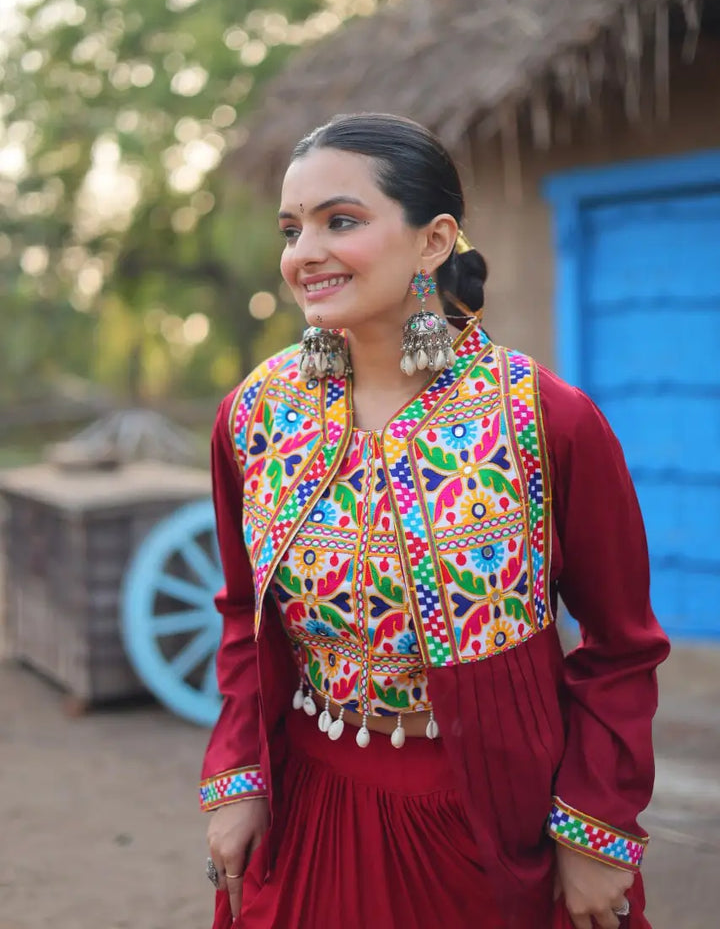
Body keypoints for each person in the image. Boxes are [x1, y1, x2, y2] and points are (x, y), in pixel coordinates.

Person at [199, 113, 669, 929]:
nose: (302, 252)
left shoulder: (542, 420)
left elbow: (621, 645)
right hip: (312, 811)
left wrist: (596, 831)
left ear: (434, 239)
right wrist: (238, 776)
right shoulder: (255, 417)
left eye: (339, 221)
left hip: (495, 823)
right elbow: (243, 613)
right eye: (291, 228)